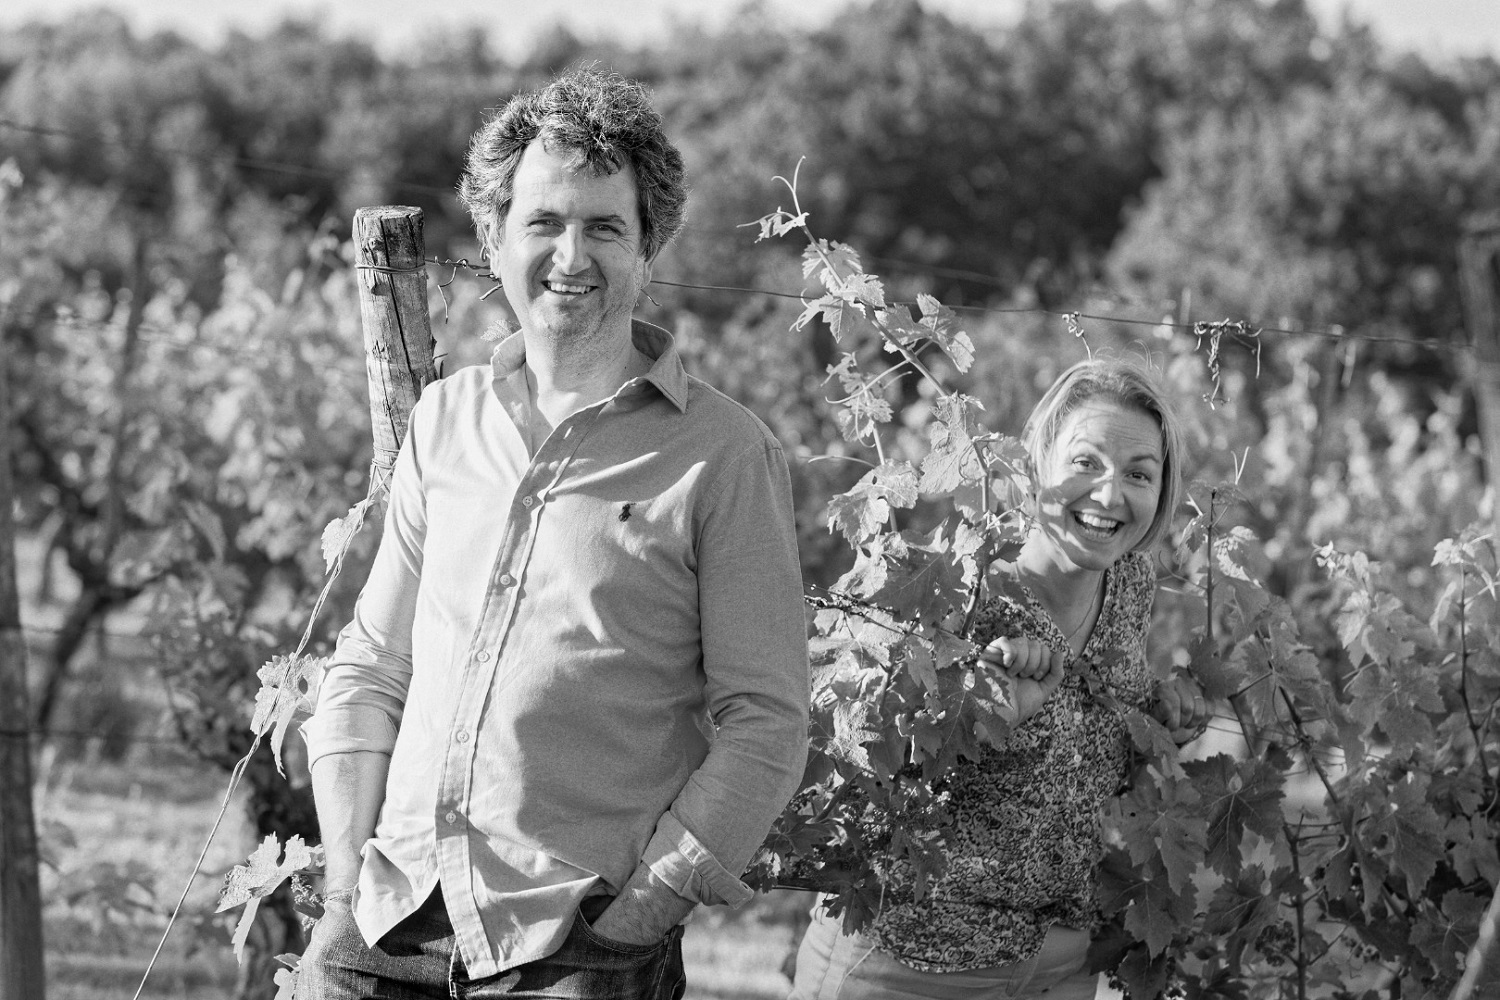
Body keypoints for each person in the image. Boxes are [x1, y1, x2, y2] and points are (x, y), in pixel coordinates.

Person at [298, 69, 810, 1000]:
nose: (571, 255)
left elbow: (766, 723)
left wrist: (642, 913)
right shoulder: (444, 421)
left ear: (649, 247)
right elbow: (371, 663)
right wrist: (341, 896)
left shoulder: (725, 454)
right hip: (387, 923)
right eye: (544, 221)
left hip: (577, 941)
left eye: (604, 227)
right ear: (494, 239)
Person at [788, 357, 1209, 1000]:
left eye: (1138, 474)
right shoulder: (960, 586)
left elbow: (1087, 735)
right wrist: (975, 715)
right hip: (908, 964)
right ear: (1036, 464)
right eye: (1086, 462)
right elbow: (848, 762)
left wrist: (1160, 715)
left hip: (1057, 965)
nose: (1109, 495)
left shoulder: (1129, 583)